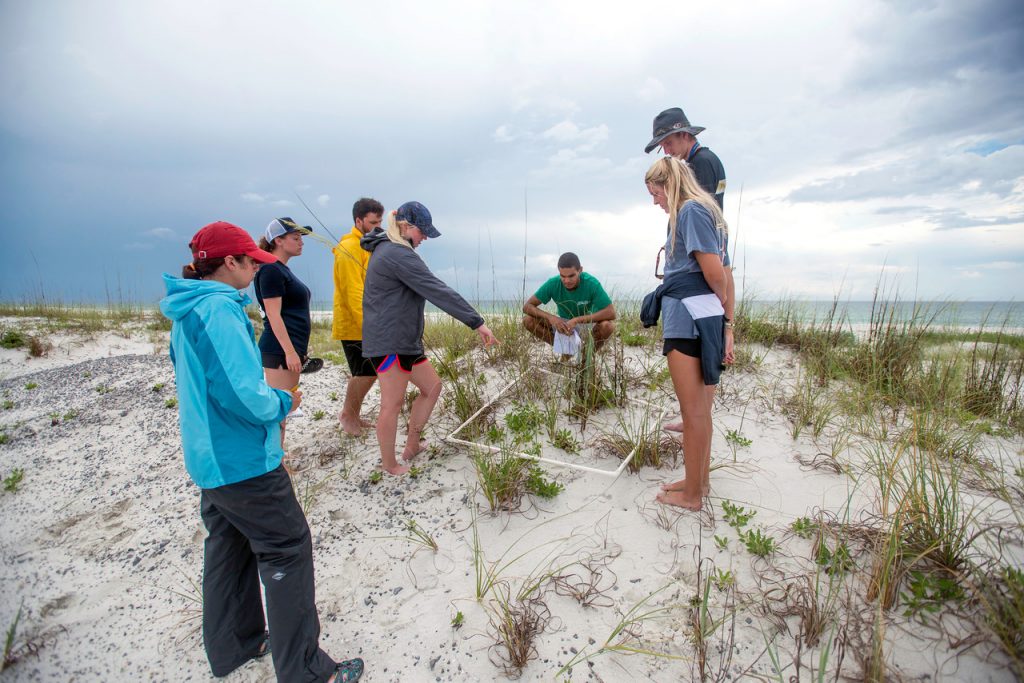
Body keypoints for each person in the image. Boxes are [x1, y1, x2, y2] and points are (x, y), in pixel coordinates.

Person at [160, 221, 363, 682]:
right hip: (242, 459)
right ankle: (309, 672)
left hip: (208, 456)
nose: (255, 268)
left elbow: (201, 382)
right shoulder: (217, 309)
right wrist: (282, 402)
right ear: (229, 262)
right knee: (287, 547)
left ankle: (237, 643)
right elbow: (242, 392)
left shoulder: (185, 308)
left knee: (228, 547)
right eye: (251, 260)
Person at [361, 201, 498, 475]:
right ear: (405, 226)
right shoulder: (396, 253)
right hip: (390, 342)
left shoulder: (394, 250)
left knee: (432, 387)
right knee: (392, 404)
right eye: (422, 232)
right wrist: (477, 322)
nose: (424, 238)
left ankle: (412, 444)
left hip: (405, 340)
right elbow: (436, 289)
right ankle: (389, 464)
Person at [643, 158, 732, 511]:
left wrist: (715, 303)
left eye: (656, 192)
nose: (655, 201)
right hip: (703, 316)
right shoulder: (708, 212)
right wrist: (722, 318)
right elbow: (721, 268)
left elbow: (716, 273)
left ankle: (692, 496)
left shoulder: (690, 211)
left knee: (693, 412)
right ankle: (699, 481)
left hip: (688, 317)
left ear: (671, 184)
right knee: (700, 412)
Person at [645, 107, 735, 431]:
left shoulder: (700, 168)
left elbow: (711, 247)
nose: (666, 152)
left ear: (684, 134)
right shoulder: (701, 162)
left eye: (667, 143)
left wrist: (722, 307)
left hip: (704, 272)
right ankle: (696, 417)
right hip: (707, 264)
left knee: (698, 408)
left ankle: (696, 417)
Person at [254, 217, 320, 450]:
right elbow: (273, 316)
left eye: (301, 237)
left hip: (289, 348)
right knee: (279, 409)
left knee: (285, 406)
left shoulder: (280, 269)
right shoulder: (271, 269)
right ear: (278, 240)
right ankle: (275, 461)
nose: (301, 242)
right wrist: (290, 352)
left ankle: (277, 457)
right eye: (295, 237)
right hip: (279, 349)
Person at [332, 198, 384, 435]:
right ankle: (348, 415)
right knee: (364, 371)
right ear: (358, 220)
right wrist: (368, 326)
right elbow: (353, 292)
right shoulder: (349, 247)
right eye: (373, 222)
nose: (377, 227)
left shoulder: (365, 244)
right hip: (355, 323)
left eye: (380, 221)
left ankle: (352, 413)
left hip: (369, 320)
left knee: (369, 371)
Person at [522, 252, 617, 355]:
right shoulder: (553, 283)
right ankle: (567, 350)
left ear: (580, 270)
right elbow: (527, 307)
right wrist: (551, 318)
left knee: (607, 326)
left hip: (587, 324)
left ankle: (586, 356)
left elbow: (611, 313)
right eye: (563, 276)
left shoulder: (591, 283)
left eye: (571, 276)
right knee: (528, 320)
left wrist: (577, 320)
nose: (566, 281)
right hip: (564, 325)